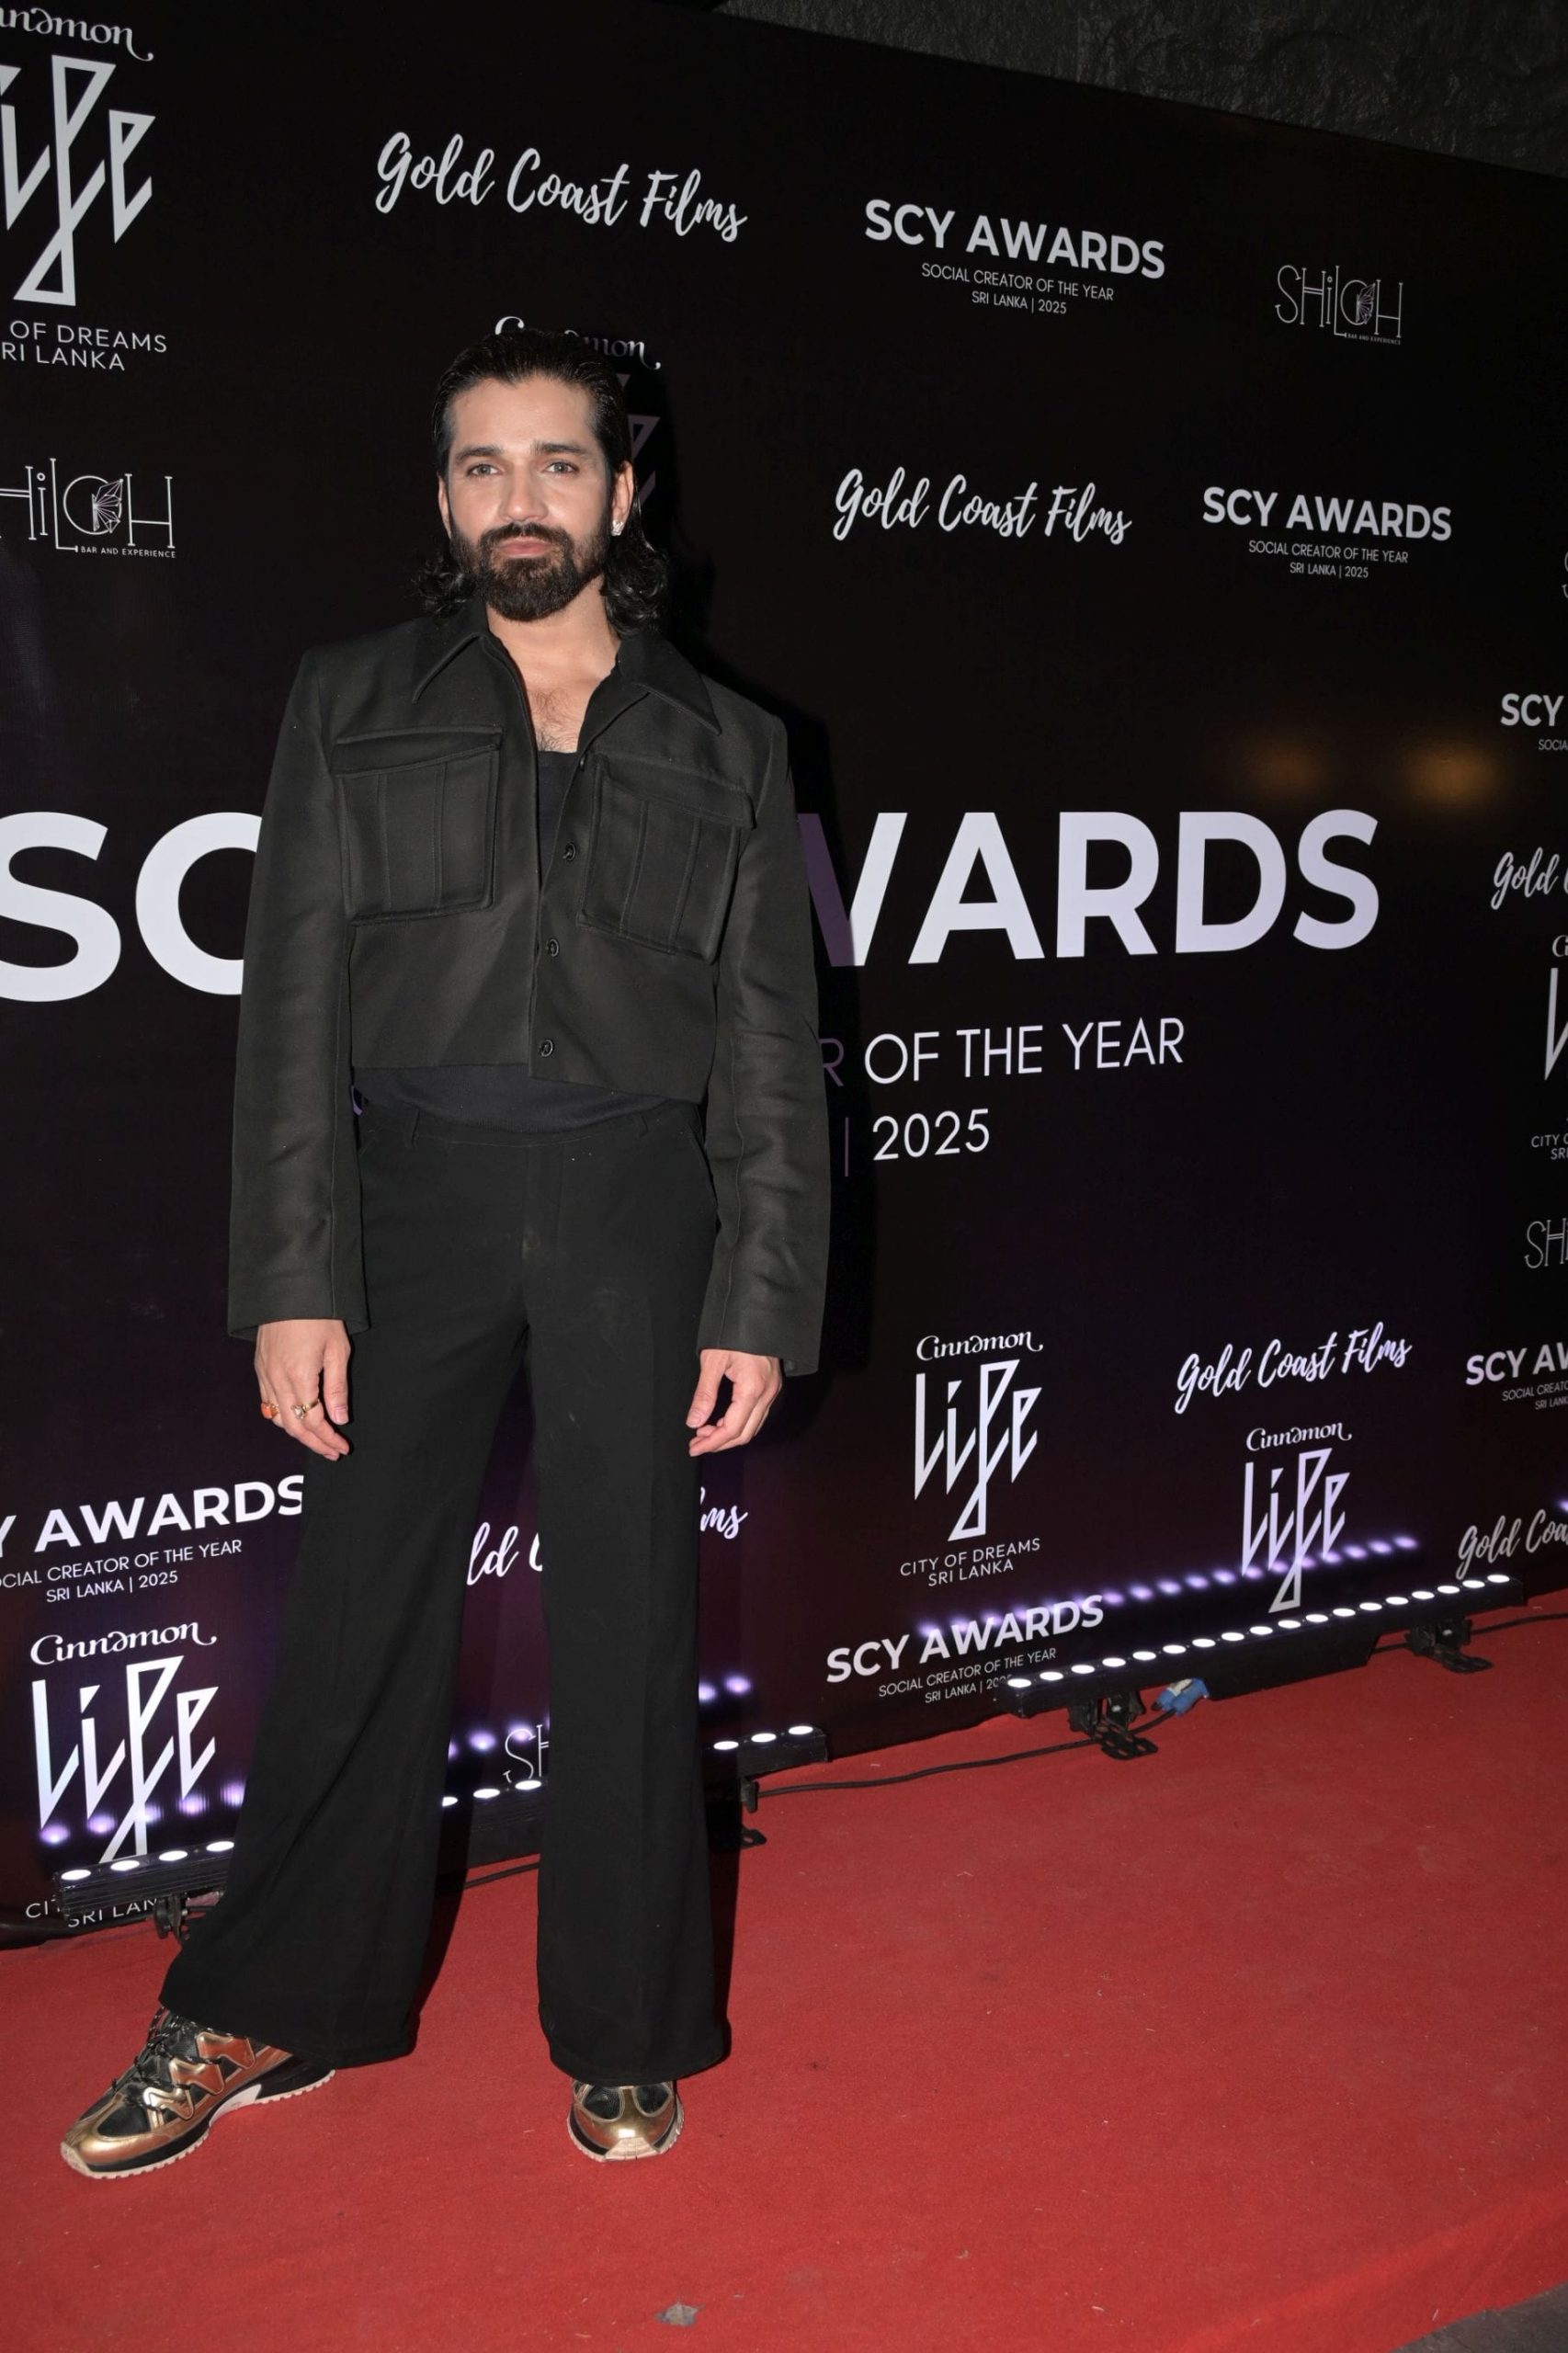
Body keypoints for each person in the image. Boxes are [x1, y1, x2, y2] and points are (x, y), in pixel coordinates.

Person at [61, 326, 830, 2176]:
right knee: (355, 1611)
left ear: (621, 491)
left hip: (638, 1204)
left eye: (555, 462)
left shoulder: (729, 742)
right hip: (410, 1200)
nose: (518, 500)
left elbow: (764, 1042)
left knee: (632, 1620)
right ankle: (269, 1999)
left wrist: (758, 1292)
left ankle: (628, 2027)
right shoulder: (349, 698)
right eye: (481, 466)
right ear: (443, 498)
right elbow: (290, 1012)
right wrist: (290, 1277)